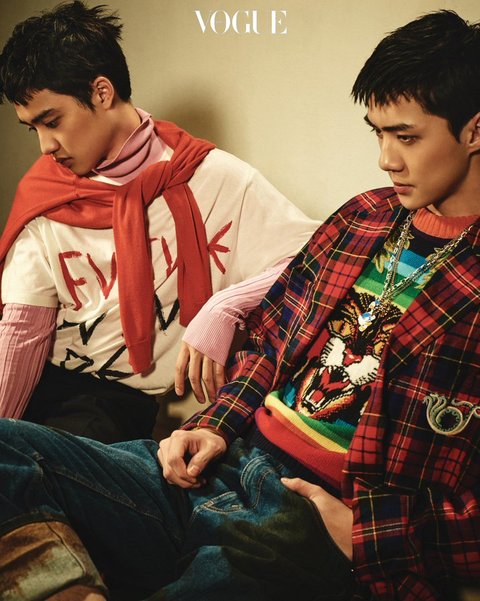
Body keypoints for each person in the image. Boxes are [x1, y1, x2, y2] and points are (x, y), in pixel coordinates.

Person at [1, 8, 480, 601]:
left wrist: (371, 537)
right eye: (377, 133)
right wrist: (214, 424)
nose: (386, 158)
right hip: (230, 463)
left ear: (473, 131)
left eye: (406, 137)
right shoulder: (365, 217)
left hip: (311, 515)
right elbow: (271, 343)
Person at [0, 1, 319, 443]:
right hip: (35, 387)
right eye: (31, 128)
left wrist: (224, 307)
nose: (45, 146)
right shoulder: (46, 192)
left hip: (105, 403)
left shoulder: (213, 178)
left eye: (52, 121)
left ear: (102, 92)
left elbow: (319, 259)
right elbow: (22, 332)